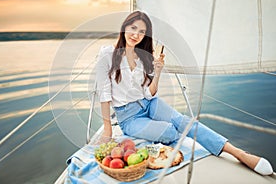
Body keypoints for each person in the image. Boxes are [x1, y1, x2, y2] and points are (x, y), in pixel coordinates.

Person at [95, 11, 273, 176]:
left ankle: (238, 153)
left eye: (142, 31)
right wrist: (108, 129)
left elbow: (149, 93)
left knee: (186, 123)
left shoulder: (143, 57)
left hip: (149, 104)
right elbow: (104, 93)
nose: (136, 34)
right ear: (124, 27)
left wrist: (157, 72)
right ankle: (192, 136)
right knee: (169, 132)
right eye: (133, 28)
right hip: (129, 117)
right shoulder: (107, 54)